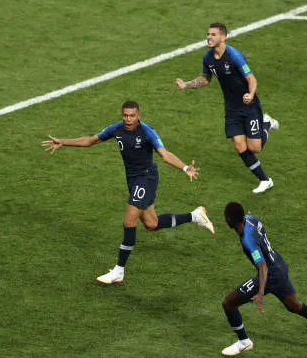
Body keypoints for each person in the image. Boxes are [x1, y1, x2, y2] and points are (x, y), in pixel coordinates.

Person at [42, 100, 215, 284]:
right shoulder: (116, 129)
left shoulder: (147, 132)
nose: (128, 119)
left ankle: (119, 270)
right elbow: (91, 140)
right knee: (152, 223)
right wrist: (63, 142)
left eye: (132, 116)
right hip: (133, 180)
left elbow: (165, 155)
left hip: (146, 178)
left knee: (129, 220)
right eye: (125, 115)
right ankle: (195, 216)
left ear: (138, 116)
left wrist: (185, 167)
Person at [220, 202, 307, 356]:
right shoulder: (251, 219)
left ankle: (244, 342)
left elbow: (262, 266)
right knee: (295, 306)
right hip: (279, 265)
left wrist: (260, 293)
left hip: (269, 275)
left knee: (228, 303)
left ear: (230, 220)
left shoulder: (248, 240)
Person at [175, 22, 279, 194]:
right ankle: (265, 180)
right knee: (239, 145)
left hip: (249, 106)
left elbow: (251, 79)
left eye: (213, 34)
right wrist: (186, 85)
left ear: (223, 37)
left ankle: (266, 123)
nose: (209, 37)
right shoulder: (208, 58)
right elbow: (205, 79)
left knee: (255, 148)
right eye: (208, 34)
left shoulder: (234, 56)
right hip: (231, 109)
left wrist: (250, 94)